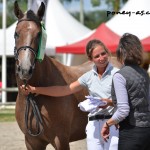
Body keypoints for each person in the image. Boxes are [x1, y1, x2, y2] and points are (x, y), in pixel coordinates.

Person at [21, 39, 119, 150]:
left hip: (111, 123)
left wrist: (109, 102)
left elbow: (126, 102)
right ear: (90, 59)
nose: (101, 58)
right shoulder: (88, 77)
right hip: (94, 125)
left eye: (103, 54)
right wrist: (34, 89)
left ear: (107, 53)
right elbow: (64, 90)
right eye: (97, 56)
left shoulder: (117, 74)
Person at [101, 33, 150, 150]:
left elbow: (123, 110)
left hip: (131, 132)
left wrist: (107, 124)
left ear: (121, 51)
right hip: (147, 131)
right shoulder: (144, 73)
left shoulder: (120, 75)